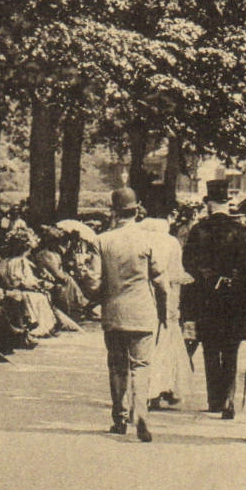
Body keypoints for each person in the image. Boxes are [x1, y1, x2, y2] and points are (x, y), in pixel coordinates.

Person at [89, 187, 168, 442]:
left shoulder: (102, 241)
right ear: (137, 210)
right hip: (143, 312)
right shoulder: (148, 240)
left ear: (114, 211)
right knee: (141, 366)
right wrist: (163, 311)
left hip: (114, 313)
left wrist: (99, 296)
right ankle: (141, 414)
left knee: (117, 366)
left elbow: (93, 282)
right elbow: (160, 281)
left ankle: (119, 418)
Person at [181, 181, 246, 420]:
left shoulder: (198, 230)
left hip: (207, 300)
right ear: (227, 203)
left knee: (211, 348)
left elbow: (188, 264)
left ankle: (214, 399)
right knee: (231, 350)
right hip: (235, 301)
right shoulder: (243, 232)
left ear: (209, 204)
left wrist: (207, 277)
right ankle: (229, 399)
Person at [140, 197, 194, 412]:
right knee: (165, 342)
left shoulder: (139, 237)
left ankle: (144, 389)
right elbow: (175, 273)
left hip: (143, 295)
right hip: (166, 296)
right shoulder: (170, 241)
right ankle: (162, 387)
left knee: (145, 342)